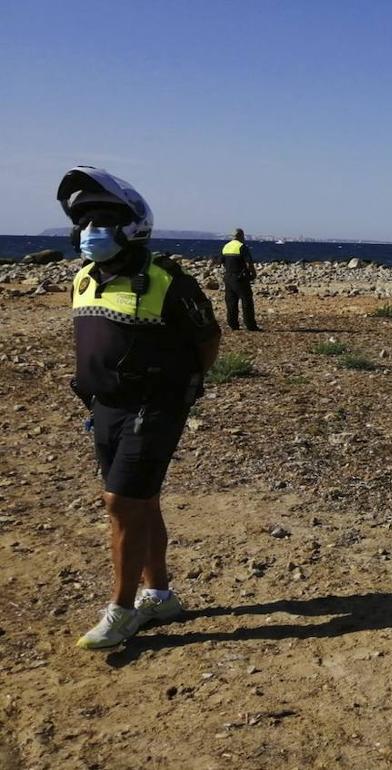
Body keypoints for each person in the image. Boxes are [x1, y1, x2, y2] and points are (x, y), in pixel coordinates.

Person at [57, 166, 221, 650]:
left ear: (132, 226)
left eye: (103, 220)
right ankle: (160, 594)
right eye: (85, 222)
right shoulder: (83, 280)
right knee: (141, 500)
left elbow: (208, 340)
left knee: (120, 502)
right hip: (104, 407)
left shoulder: (167, 282)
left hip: (154, 405)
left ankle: (123, 610)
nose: (92, 232)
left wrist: (180, 386)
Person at [220, 228, 260, 331]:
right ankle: (250, 325)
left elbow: (222, 261)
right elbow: (249, 263)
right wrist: (253, 274)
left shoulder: (226, 247)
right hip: (240, 277)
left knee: (231, 301)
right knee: (246, 301)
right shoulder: (242, 247)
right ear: (241, 236)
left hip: (228, 277)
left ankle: (233, 324)